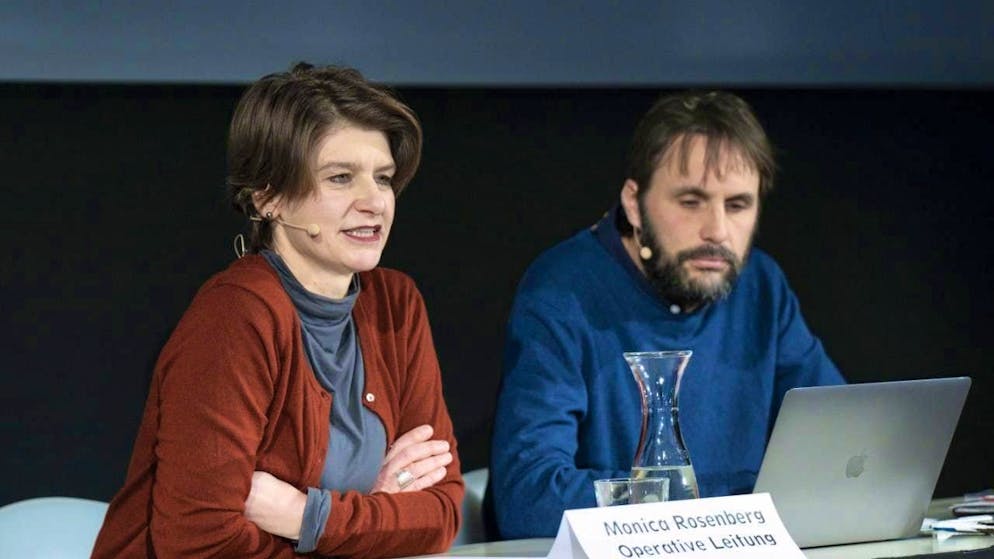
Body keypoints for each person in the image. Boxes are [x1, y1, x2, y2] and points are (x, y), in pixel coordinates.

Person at [92, 63, 463, 558]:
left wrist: (303, 516)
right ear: (268, 198)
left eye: (383, 178)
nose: (374, 202)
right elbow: (198, 544)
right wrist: (374, 515)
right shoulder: (235, 318)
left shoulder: (396, 303)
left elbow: (440, 514)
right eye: (340, 178)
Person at [486, 91, 845, 539]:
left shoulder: (761, 286)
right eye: (691, 202)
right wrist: (728, 501)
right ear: (634, 203)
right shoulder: (561, 292)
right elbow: (529, 500)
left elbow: (844, 452)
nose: (717, 231)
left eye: (737, 205)